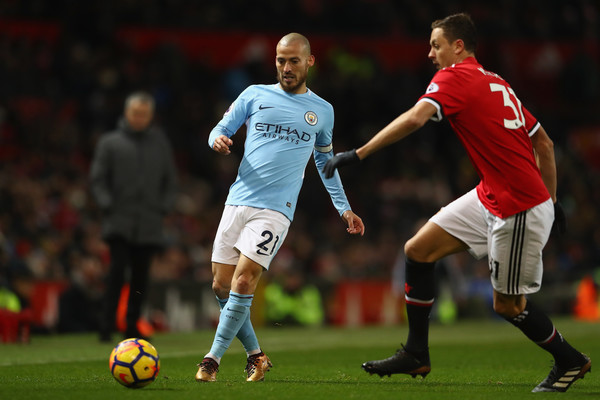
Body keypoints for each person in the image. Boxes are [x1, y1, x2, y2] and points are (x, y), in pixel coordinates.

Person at [324, 13, 590, 393]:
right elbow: (543, 144)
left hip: (518, 205)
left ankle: (570, 359)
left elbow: (416, 118)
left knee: (508, 306)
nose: (430, 53)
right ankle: (416, 353)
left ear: (458, 46)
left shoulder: (454, 77)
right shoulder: (497, 81)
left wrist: (358, 153)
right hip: (492, 194)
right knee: (417, 250)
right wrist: (554, 198)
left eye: (436, 45)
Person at [197, 32, 365, 383]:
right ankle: (256, 356)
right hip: (238, 199)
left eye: (293, 61)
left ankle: (211, 360)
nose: (286, 68)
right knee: (220, 286)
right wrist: (217, 140)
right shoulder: (254, 94)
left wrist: (344, 208)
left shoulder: (322, 110)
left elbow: (325, 161)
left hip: (276, 209)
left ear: (309, 62)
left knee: (245, 280)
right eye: (280, 60)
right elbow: (219, 128)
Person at [90, 91, 178, 342]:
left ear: (151, 116)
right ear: (126, 113)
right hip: (119, 221)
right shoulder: (110, 143)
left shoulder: (159, 143)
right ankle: (106, 325)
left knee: (141, 278)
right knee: (116, 273)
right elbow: (98, 179)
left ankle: (132, 325)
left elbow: (170, 180)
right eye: (136, 113)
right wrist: (108, 205)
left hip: (149, 222)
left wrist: (163, 207)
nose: (139, 118)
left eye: (144, 114)